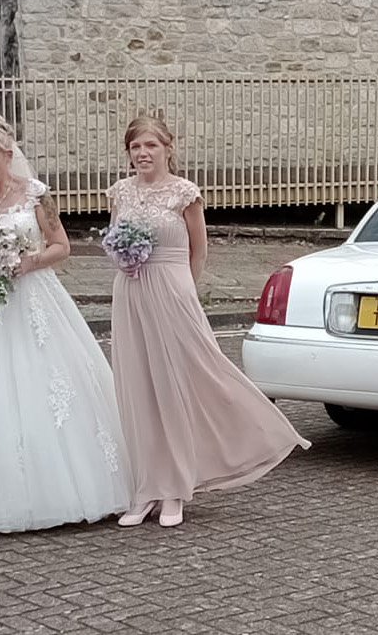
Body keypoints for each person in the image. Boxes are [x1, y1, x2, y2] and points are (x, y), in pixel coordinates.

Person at [108, 116, 309, 529]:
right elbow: (113, 240)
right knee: (138, 387)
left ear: (168, 147)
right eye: (135, 147)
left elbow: (198, 251)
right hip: (130, 293)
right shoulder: (120, 192)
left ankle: (177, 487)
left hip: (172, 292)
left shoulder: (185, 193)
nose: (143, 153)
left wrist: (185, 292)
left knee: (180, 384)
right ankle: (146, 487)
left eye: (150, 145)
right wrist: (124, 260)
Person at [0, 113, 130, 535]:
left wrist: (30, 262)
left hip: (34, 296)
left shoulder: (35, 195)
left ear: (9, 156)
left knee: (51, 380)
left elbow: (62, 247)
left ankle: (72, 488)